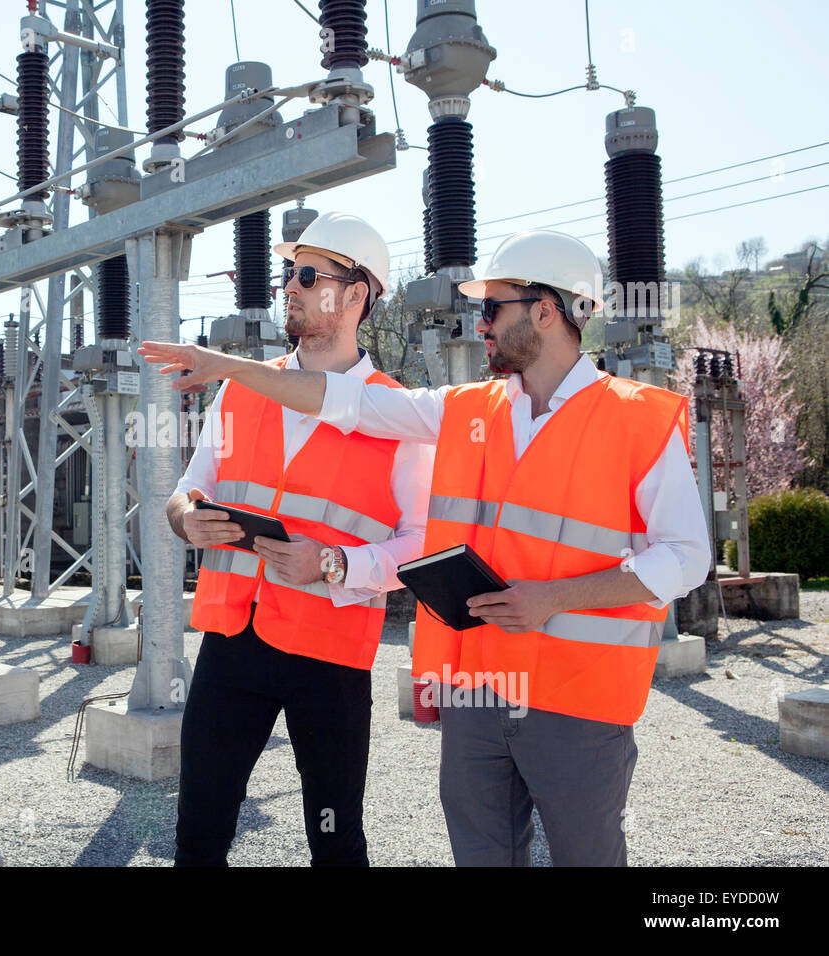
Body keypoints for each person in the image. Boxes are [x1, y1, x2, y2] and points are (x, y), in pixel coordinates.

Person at [141, 228, 710, 867]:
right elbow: (348, 405)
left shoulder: (635, 419)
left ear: (545, 312)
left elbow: (687, 556)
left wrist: (554, 597)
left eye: (492, 309)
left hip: (577, 695)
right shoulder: (471, 410)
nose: (481, 325)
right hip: (477, 688)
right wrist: (227, 369)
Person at [164, 211, 434, 867]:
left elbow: (421, 545)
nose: (290, 286)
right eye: (289, 272)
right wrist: (184, 516)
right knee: (198, 831)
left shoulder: (399, 412)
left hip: (329, 656)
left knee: (335, 841)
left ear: (357, 295)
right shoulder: (242, 390)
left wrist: (337, 564)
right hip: (232, 641)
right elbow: (189, 485)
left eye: (308, 274)